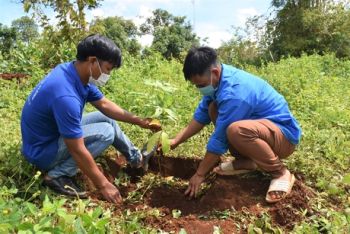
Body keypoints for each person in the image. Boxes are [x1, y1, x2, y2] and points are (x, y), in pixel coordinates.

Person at [20, 34, 160, 203]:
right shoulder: (66, 96)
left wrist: (141, 122)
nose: (108, 75)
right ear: (92, 60)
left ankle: (136, 159)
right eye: (108, 69)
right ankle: (58, 175)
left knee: (105, 118)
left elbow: (105, 105)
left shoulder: (73, 72)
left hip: (49, 136)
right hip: (43, 151)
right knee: (105, 133)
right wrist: (103, 184)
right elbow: (77, 149)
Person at [170, 46, 301, 203]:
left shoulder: (235, 92)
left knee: (236, 130)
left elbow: (220, 138)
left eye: (201, 84)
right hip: (260, 131)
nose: (200, 89)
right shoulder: (219, 82)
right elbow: (201, 116)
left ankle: (280, 173)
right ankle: (247, 162)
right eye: (196, 85)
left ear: (215, 73)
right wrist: (175, 141)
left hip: (283, 137)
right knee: (213, 108)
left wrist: (199, 174)